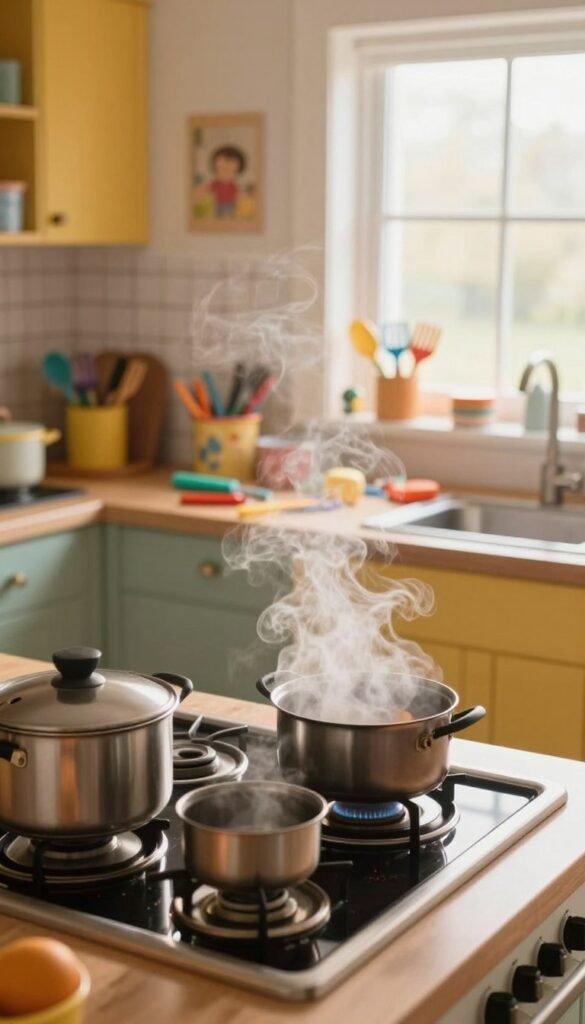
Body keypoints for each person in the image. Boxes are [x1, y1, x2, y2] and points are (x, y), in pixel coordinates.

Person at [206, 145, 246, 218]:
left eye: (229, 171)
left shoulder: (233, 185)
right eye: (222, 169)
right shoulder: (215, 184)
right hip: (217, 205)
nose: (225, 173)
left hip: (230, 205)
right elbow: (207, 190)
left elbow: (239, 194)